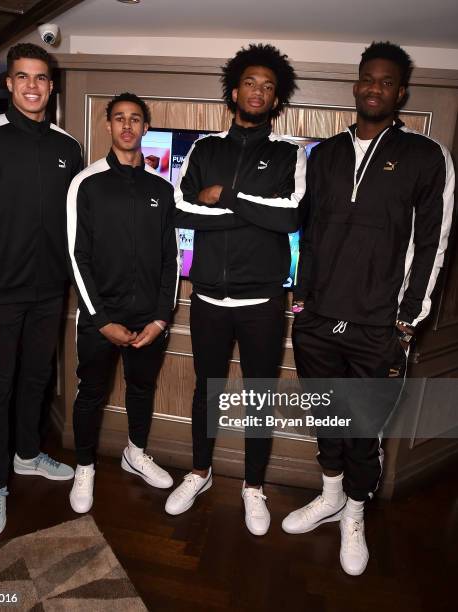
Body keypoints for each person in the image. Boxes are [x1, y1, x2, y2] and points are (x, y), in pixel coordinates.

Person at [284, 42, 455, 575]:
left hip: (379, 325)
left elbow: (434, 242)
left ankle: (354, 513)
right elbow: (309, 234)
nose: (374, 88)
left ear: (400, 92)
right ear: (356, 85)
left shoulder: (427, 157)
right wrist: (303, 293)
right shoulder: (324, 153)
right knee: (324, 416)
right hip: (318, 320)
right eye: (367, 79)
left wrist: (408, 318)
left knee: (363, 429)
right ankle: (331, 494)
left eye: (386, 82)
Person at [166, 44, 306, 536]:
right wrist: (252, 213)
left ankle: (252, 487)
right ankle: (200, 472)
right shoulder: (204, 149)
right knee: (207, 390)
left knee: (259, 397)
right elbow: (181, 211)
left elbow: (289, 217)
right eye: (251, 82)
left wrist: (225, 198)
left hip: (263, 302)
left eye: (268, 86)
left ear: (277, 98)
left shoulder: (290, 154)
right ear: (234, 91)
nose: (258, 91)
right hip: (206, 297)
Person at [0, 43, 83, 536]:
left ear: (51, 86)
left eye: (41, 78)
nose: (32, 85)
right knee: (0, 387)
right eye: (23, 77)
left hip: (49, 289)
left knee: (36, 379)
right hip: (0, 290)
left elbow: (72, 220)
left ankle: (28, 455)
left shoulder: (67, 147)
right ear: (8, 83)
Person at [66, 93, 178, 513]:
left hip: (148, 319)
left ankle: (136, 452)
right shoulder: (87, 183)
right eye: (119, 119)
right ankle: (84, 467)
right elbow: (77, 256)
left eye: (135, 119)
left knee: (142, 389)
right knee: (91, 393)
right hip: (101, 317)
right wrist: (100, 319)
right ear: (108, 126)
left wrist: (161, 319)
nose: (127, 126)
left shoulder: (161, 189)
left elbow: (171, 260)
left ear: (145, 128)